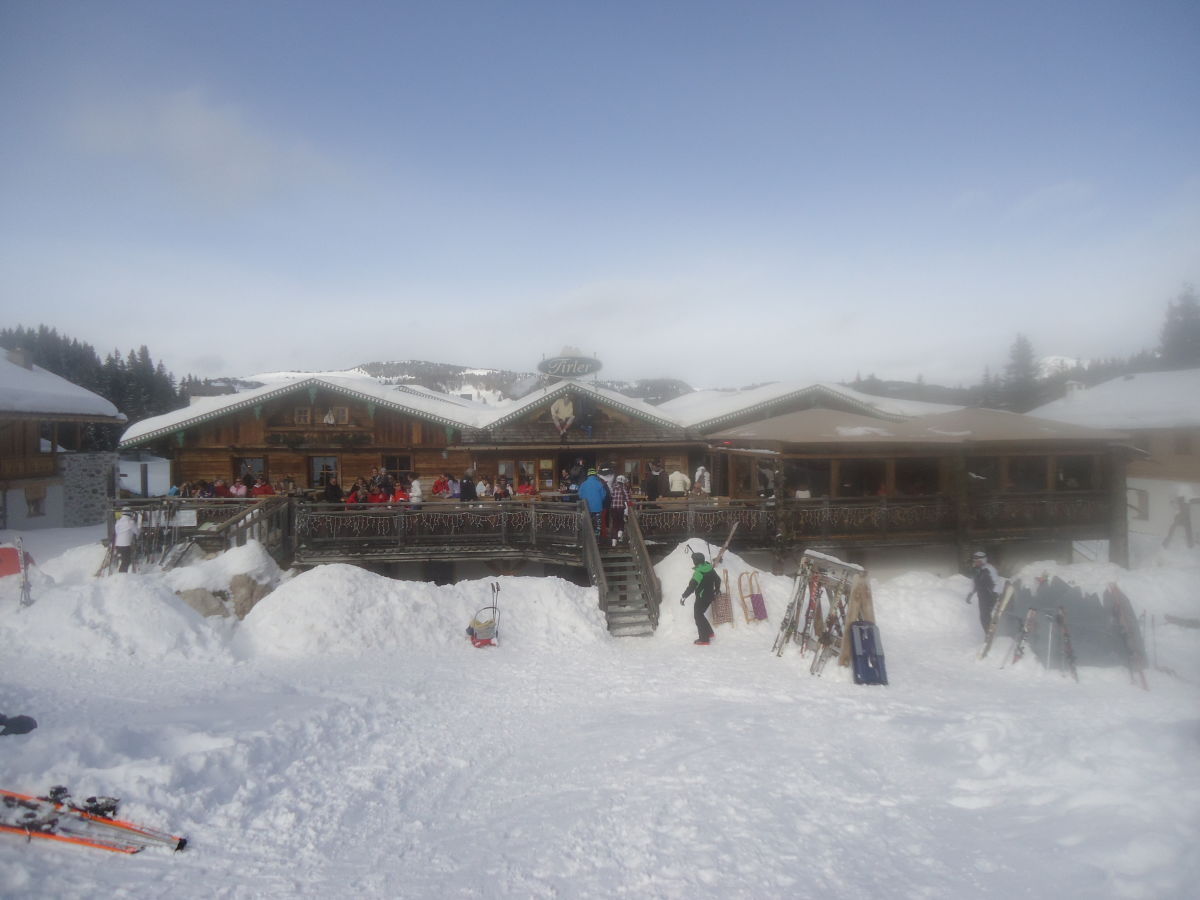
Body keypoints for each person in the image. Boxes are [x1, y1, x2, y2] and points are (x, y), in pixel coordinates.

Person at [681, 551, 721, 645]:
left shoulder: (699, 573)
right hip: (710, 596)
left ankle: (704, 639)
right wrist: (717, 589)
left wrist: (684, 596)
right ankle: (709, 633)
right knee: (700, 615)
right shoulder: (709, 567)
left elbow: (691, 587)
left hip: (702, 598)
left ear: (696, 561)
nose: (693, 562)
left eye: (693, 560)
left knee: (698, 616)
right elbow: (718, 579)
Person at [966, 551, 1006, 634]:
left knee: (987, 616)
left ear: (983, 560)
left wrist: (998, 595)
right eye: (975, 561)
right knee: (984, 617)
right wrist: (970, 593)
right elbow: (974, 582)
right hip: (981, 596)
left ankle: (991, 633)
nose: (976, 563)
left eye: (978, 561)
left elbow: (997, 583)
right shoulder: (975, 570)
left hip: (991, 596)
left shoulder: (989, 569)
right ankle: (988, 634)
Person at [577, 468, 609, 536]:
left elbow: (579, 495)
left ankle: (587, 541)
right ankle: (596, 541)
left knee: (587, 525)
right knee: (597, 526)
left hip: (586, 508)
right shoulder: (599, 484)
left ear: (588, 475)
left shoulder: (583, 484)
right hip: (597, 508)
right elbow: (603, 495)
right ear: (595, 475)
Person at [113, 508, 140, 573]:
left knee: (124, 560)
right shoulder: (130, 522)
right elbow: (137, 532)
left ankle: (123, 573)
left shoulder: (118, 522)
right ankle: (122, 574)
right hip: (125, 544)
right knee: (126, 561)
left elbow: (117, 532)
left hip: (118, 544)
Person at [609, 475, 632, 546]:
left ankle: (613, 542)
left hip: (613, 508)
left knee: (614, 524)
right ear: (623, 481)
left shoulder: (612, 487)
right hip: (620, 508)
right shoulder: (623, 488)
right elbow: (627, 498)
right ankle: (620, 534)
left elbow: (610, 497)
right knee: (621, 521)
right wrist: (629, 503)